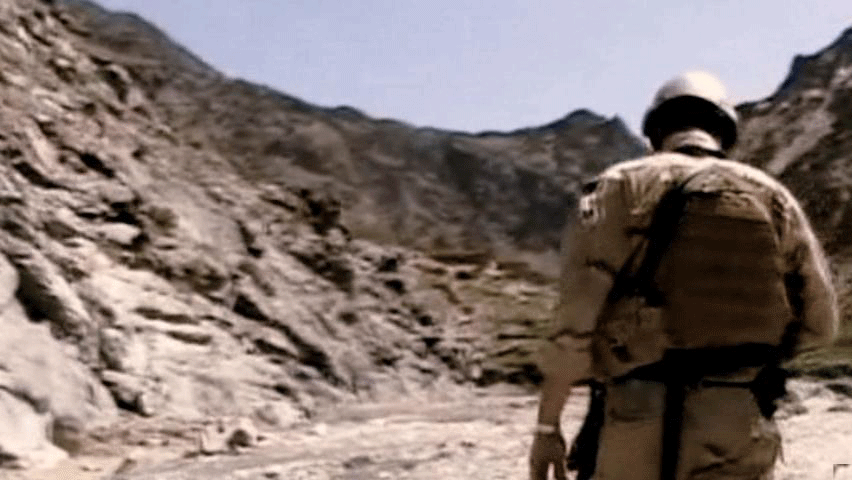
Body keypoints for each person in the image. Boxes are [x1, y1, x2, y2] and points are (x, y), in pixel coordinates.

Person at [528, 71, 838, 480]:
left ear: (656, 131)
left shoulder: (619, 186)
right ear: (724, 132)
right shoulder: (774, 198)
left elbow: (574, 324)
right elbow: (820, 325)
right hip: (741, 419)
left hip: (639, 418)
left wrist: (547, 427)